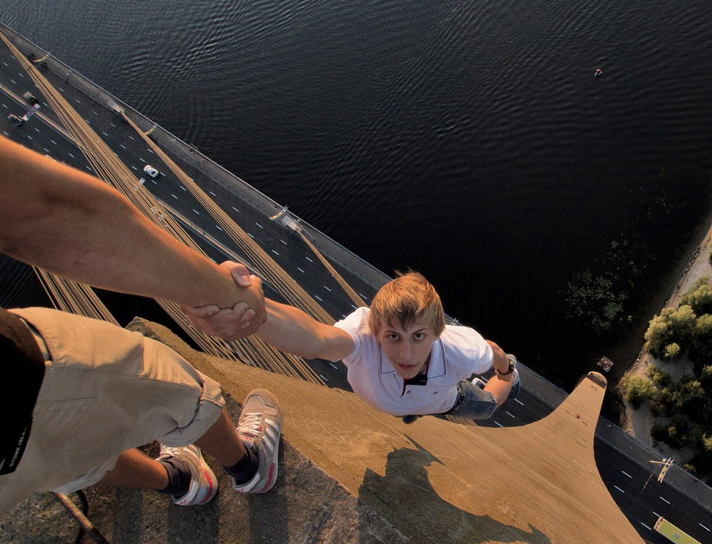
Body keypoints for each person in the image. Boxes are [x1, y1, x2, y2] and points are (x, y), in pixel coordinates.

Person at [0, 135, 282, 513]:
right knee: (167, 386)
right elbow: (46, 213)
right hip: (16, 378)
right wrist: (225, 295)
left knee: (60, 457)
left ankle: (180, 481)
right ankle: (249, 465)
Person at [185, 269, 520, 423]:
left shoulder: (459, 347)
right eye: (392, 336)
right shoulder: (362, 337)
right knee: (413, 405)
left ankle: (510, 381)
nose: (405, 356)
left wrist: (505, 369)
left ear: (437, 332)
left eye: (418, 336)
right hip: (415, 402)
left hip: (447, 400)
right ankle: (411, 410)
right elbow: (315, 339)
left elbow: (489, 350)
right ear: (375, 330)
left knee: (487, 406)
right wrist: (253, 310)